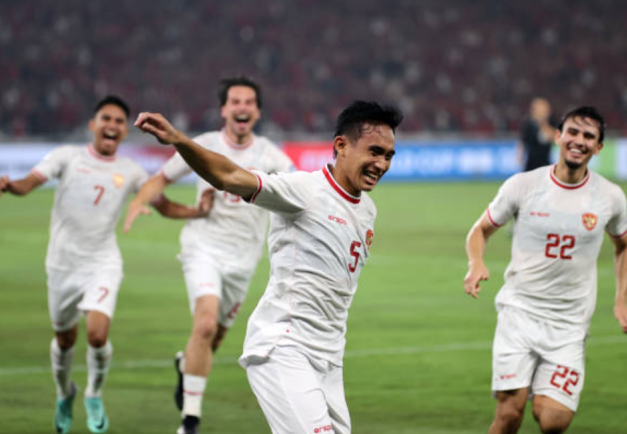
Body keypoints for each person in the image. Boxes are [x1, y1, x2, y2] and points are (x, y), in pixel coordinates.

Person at [133, 100, 402, 434]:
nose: (381, 163)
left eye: (388, 155)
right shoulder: (304, 190)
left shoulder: (367, 210)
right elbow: (229, 175)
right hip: (284, 347)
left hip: (330, 359)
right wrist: (179, 140)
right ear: (341, 145)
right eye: (374, 151)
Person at [0, 96, 213, 434]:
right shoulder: (67, 157)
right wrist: (11, 186)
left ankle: (94, 394)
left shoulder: (130, 171)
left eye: (118, 122)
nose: (112, 125)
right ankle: (64, 392)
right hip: (61, 265)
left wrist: (196, 212)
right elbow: (30, 183)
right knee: (65, 341)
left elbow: (163, 205)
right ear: (93, 124)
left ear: (124, 132)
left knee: (97, 335)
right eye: (106, 118)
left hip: (102, 262)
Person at [123, 76, 295, 434]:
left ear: (257, 111)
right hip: (203, 248)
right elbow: (161, 179)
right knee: (204, 324)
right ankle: (190, 420)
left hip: (243, 260)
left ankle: (185, 365)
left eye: (249, 102)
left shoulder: (272, 156)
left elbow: (297, 190)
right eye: (236, 101)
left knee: (212, 339)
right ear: (224, 109)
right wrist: (139, 202)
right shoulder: (204, 145)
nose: (242, 107)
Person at [464, 106, 627, 434]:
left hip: (569, 325)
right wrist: (476, 263)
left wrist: (621, 300)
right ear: (558, 136)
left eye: (589, 136)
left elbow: (624, 246)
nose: (579, 140)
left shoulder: (610, 197)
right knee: (509, 415)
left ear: (599, 147)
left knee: (553, 421)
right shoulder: (523, 185)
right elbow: (480, 230)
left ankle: (542, 393)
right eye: (573, 132)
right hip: (519, 315)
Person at [518, 98, 556, 171]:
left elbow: (552, 138)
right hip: (531, 165)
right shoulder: (528, 125)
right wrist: (520, 156)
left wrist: (542, 123)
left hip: (545, 164)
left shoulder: (552, 123)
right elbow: (523, 142)